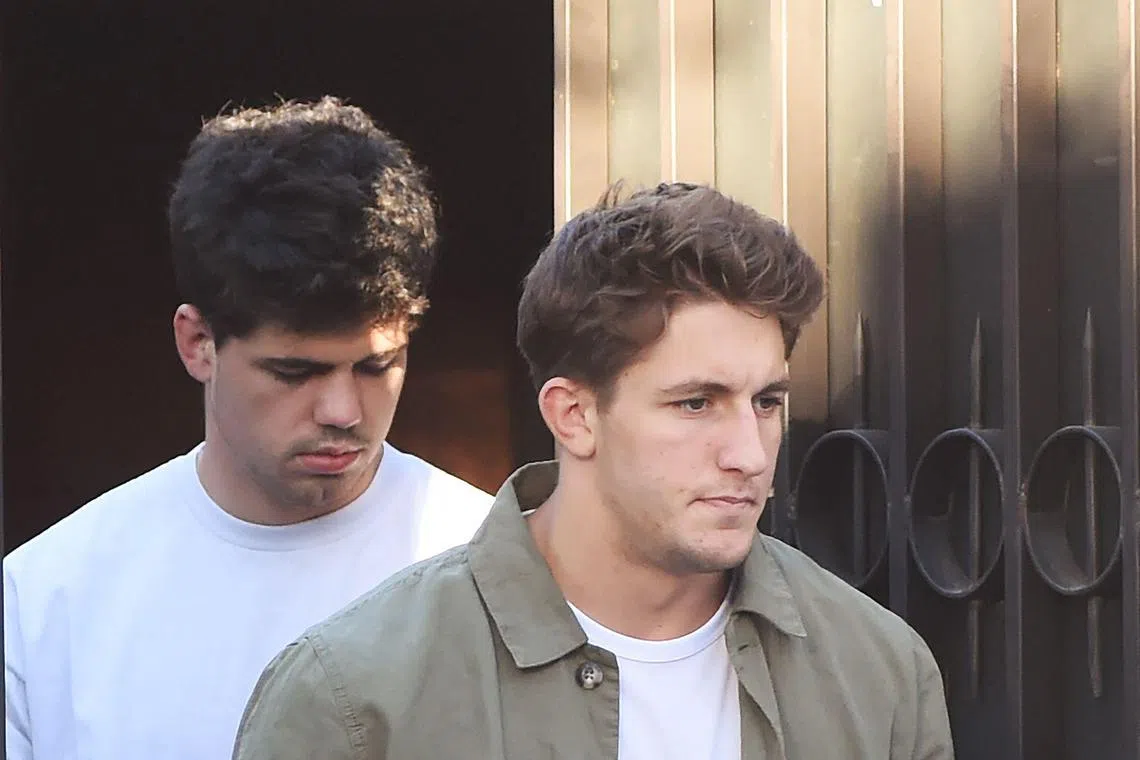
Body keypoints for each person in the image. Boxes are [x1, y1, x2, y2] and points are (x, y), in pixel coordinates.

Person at [232, 182, 954, 759]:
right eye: (696, 403)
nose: (750, 452)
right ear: (573, 416)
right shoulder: (357, 696)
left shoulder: (879, 671)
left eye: (766, 402)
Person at [3, 97, 493, 760]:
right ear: (197, 341)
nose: (343, 411)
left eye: (378, 365)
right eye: (295, 372)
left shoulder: (497, 568)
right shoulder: (46, 602)